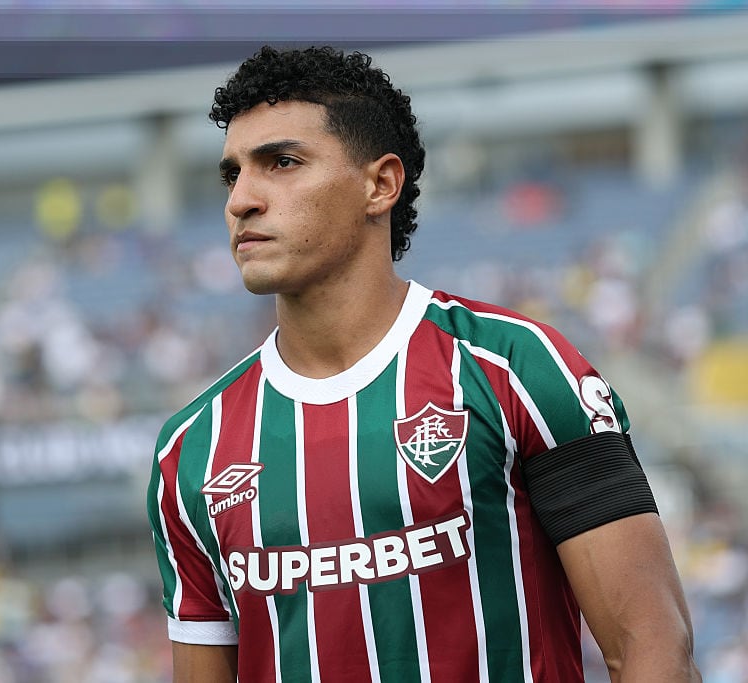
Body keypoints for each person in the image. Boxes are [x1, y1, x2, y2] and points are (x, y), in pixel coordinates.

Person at [147, 45, 700, 682]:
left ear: (379, 184)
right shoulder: (191, 448)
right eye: (232, 174)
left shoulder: (515, 369)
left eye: (282, 163)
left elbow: (652, 645)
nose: (242, 199)